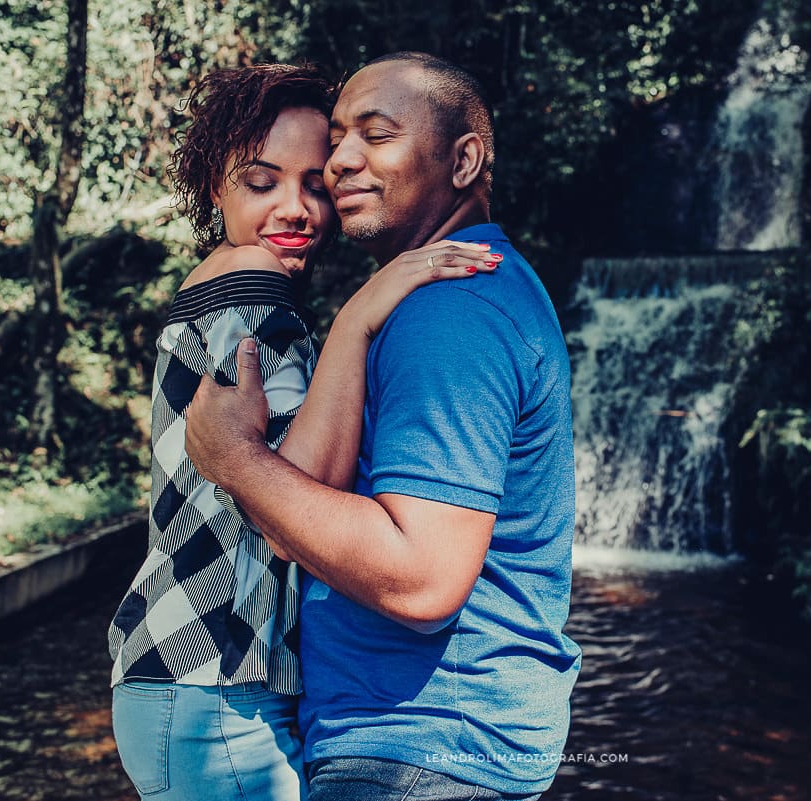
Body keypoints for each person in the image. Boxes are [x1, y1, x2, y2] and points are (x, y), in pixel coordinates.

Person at [184, 52, 581, 801]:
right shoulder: (447, 293)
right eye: (338, 138)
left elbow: (423, 575)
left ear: (463, 159)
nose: (339, 161)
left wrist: (237, 459)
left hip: (421, 754)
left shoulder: (449, 310)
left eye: (376, 134)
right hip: (425, 746)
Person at [107, 62, 498, 801]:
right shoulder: (253, 280)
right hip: (217, 688)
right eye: (262, 182)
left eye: (315, 183)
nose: (296, 208)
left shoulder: (223, 282)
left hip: (188, 680)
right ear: (213, 186)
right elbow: (291, 499)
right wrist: (357, 318)